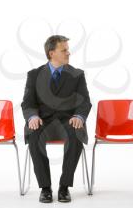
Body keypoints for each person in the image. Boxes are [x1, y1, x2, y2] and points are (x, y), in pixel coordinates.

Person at [21, 35, 91, 203]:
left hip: (68, 121)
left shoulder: (77, 74)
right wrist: (32, 116)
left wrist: (79, 116)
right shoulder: (34, 75)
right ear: (52, 53)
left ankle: (64, 187)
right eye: (64, 50)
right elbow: (28, 102)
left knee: (76, 136)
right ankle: (45, 188)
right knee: (34, 135)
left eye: (67, 49)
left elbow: (85, 101)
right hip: (43, 122)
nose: (69, 53)